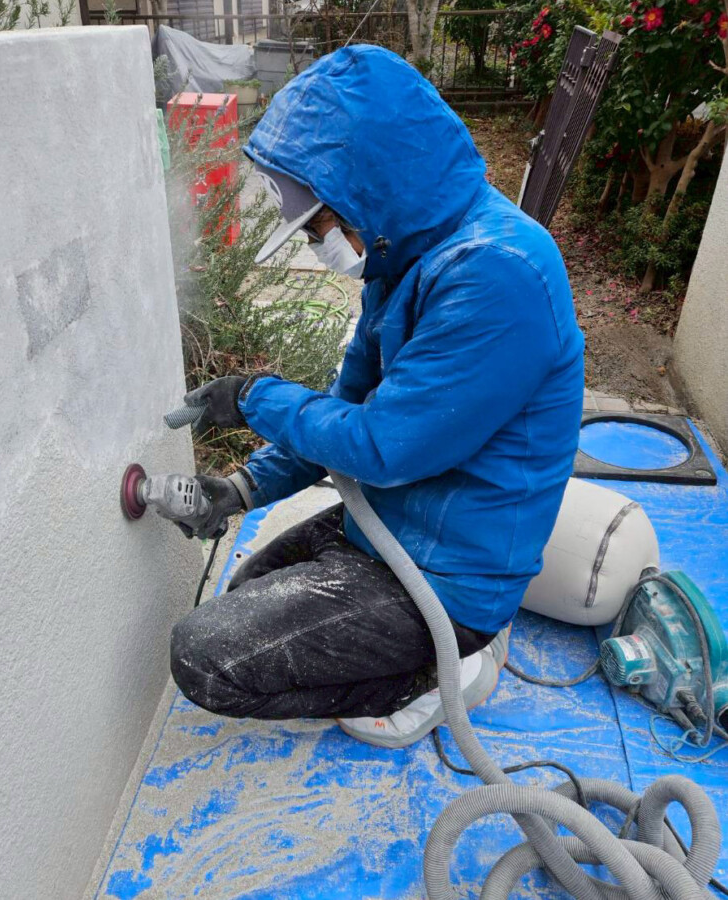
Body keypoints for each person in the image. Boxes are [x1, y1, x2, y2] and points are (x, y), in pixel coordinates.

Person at [168, 45, 584, 749]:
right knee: (240, 610)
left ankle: (451, 665)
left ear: (371, 186)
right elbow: (344, 405)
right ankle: (413, 651)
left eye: (324, 223)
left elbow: (380, 447)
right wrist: (237, 489)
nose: (322, 244)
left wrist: (252, 397)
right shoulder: (407, 260)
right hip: (394, 532)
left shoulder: (498, 274)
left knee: (207, 659)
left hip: (450, 576)